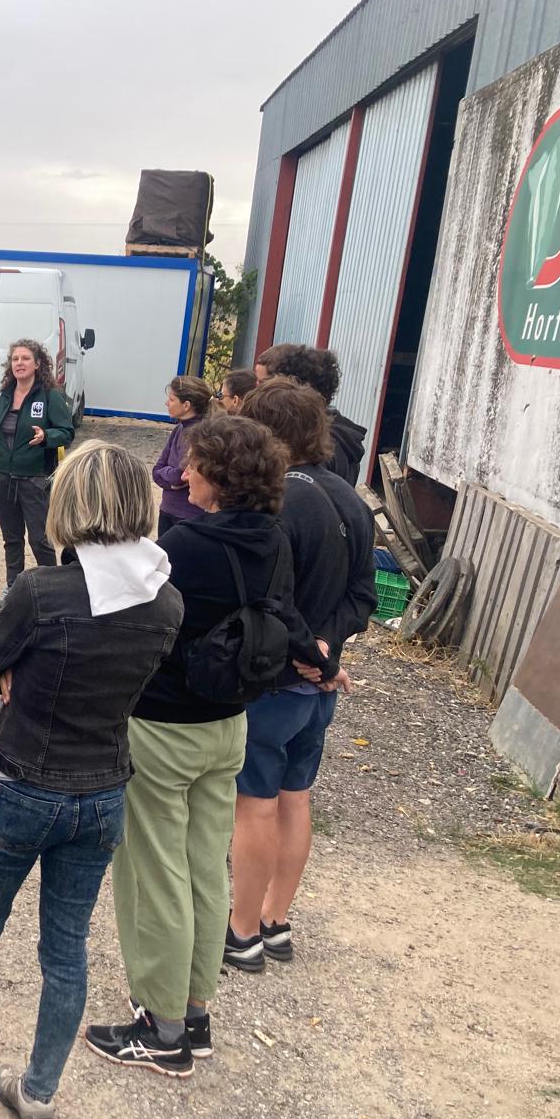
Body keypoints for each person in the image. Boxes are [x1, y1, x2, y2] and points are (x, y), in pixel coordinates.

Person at [0, 442, 183, 1119]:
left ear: (69, 503)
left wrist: (16, 678)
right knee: (66, 946)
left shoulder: (39, 592)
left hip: (22, 780)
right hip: (104, 787)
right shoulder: (165, 599)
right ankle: (39, 1093)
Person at [84, 415, 332, 1077]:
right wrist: (319, 660)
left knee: (154, 871)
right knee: (199, 869)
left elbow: (124, 607)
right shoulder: (273, 540)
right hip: (228, 728)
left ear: (218, 474)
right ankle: (193, 1010)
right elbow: (282, 613)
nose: (182, 473)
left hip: (164, 728)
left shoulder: (186, 544)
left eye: (193, 464)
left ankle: (161, 1027)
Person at [227, 380, 374, 971]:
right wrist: (328, 650)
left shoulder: (280, 501)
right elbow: (364, 596)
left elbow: (271, 597)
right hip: (319, 688)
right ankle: (276, 918)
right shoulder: (353, 501)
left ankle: (241, 933)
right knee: (296, 798)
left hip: (276, 682)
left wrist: (306, 649)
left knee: (255, 806)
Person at [0, 338, 75, 610]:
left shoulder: (50, 395)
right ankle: (13, 588)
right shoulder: (4, 396)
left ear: (38, 364)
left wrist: (47, 435)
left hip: (35, 479)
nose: (19, 363)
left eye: (25, 358)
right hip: (2, 477)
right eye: (15, 359)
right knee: (11, 538)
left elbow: (67, 432)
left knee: (40, 538)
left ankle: (52, 593)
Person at [254, 343, 366, 485]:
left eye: (263, 382)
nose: (257, 390)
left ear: (293, 386)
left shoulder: (320, 446)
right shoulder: (337, 436)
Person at [152, 375, 214, 537]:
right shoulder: (179, 429)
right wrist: (169, 481)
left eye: (171, 400)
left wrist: (169, 477)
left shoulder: (202, 434)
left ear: (186, 405)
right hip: (167, 509)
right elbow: (157, 470)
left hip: (188, 515)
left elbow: (180, 475)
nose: (167, 403)